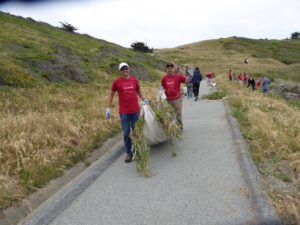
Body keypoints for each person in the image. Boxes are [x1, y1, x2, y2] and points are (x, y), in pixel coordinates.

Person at [106, 62, 149, 163]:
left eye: (126, 68)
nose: (124, 70)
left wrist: (144, 98)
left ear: (129, 69)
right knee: (126, 133)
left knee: (136, 131)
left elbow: (138, 91)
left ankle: (137, 149)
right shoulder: (116, 82)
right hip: (124, 111)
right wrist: (107, 108)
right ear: (120, 71)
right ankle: (129, 153)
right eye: (122, 69)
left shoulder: (134, 80)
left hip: (135, 110)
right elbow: (111, 95)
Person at [161, 62, 186, 130]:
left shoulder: (178, 76)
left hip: (177, 99)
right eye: (168, 68)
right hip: (167, 100)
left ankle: (180, 127)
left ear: (174, 69)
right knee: (170, 114)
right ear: (166, 69)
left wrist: (187, 74)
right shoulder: (164, 78)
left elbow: (186, 81)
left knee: (178, 114)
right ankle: (173, 128)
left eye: (171, 68)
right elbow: (162, 87)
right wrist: (161, 95)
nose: (170, 69)